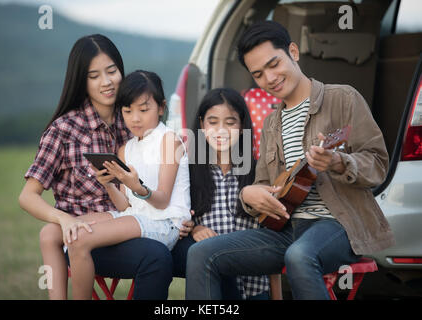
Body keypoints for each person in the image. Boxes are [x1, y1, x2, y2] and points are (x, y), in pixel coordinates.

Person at [185, 21, 395, 300]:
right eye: (258, 74)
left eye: (274, 64)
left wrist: (338, 162)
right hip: (284, 228)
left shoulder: (343, 98)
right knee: (201, 252)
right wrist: (249, 194)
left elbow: (378, 164)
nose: (269, 78)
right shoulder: (272, 122)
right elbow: (261, 184)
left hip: (337, 225)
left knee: (299, 255)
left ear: (293, 52)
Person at [19, 35, 185, 300]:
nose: (106, 82)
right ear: (81, 82)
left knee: (196, 250)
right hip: (84, 234)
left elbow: (166, 169)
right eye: (94, 75)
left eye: (112, 71)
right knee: (155, 257)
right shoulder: (64, 130)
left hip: (134, 220)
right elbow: (27, 196)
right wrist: (63, 218)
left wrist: (181, 211)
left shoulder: (133, 119)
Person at [64, 70, 190, 299]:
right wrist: (109, 184)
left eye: (144, 109)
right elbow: (123, 206)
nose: (135, 118)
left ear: (161, 108)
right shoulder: (126, 149)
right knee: (72, 227)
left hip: (165, 223)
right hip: (134, 217)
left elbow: (161, 200)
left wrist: (138, 187)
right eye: (127, 111)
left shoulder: (169, 141)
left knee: (81, 238)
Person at [171, 88, 270, 300]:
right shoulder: (189, 172)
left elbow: (270, 234)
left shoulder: (258, 171)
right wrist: (194, 228)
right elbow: (179, 219)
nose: (221, 130)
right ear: (201, 125)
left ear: (243, 126)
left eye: (230, 122)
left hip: (254, 288)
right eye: (213, 122)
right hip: (211, 287)